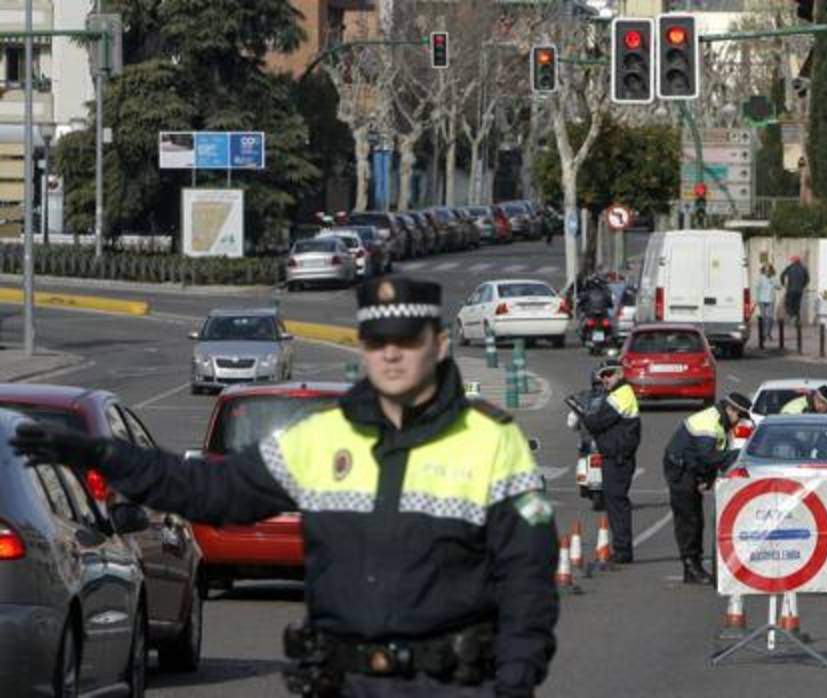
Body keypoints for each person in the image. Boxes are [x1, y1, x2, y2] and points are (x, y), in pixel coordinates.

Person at [12, 277, 559, 698]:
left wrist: (516, 678)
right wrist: (109, 456)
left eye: (407, 340)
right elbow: (212, 491)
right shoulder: (323, 438)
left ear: (438, 346)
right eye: (377, 341)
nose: (392, 355)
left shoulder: (489, 439)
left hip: (453, 686)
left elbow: (527, 575)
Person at [662, 393, 752, 585]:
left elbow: (710, 458)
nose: (739, 422)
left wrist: (707, 479)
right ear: (730, 410)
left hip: (690, 468)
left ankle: (694, 565)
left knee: (696, 518)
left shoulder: (721, 423)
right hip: (680, 469)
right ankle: (690, 567)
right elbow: (708, 457)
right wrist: (737, 455)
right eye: (740, 416)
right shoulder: (709, 422)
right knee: (688, 519)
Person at [579, 359, 641, 563]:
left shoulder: (621, 395)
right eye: (602, 375)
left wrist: (582, 414)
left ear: (620, 374)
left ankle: (623, 551)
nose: (604, 379)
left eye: (609, 374)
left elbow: (597, 422)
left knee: (617, 504)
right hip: (616, 456)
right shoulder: (617, 394)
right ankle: (622, 549)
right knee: (615, 503)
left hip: (618, 458)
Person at [780, 255, 810, 326]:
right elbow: (808, 279)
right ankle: (797, 319)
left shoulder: (790, 267)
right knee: (797, 305)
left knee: (788, 303)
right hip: (799, 291)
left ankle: (792, 315)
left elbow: (782, 275)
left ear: (793, 261)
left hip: (791, 290)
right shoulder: (803, 268)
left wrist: (783, 284)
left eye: (792, 260)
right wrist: (803, 286)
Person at [754, 264, 780, 343]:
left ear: (771, 270)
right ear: (763, 270)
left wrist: (773, 282)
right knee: (764, 318)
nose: (767, 271)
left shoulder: (774, 278)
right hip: (762, 300)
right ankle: (764, 334)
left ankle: (768, 333)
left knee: (770, 318)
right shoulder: (760, 278)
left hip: (770, 300)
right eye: (766, 270)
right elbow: (757, 288)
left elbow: (779, 287)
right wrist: (757, 299)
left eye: (769, 270)